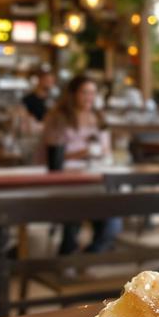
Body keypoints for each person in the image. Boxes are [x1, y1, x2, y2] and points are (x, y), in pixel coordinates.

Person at [42, 74, 120, 254]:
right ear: (73, 94)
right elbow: (53, 156)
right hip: (66, 179)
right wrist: (83, 152)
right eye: (84, 92)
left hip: (96, 175)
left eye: (92, 93)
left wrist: (100, 154)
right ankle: (69, 253)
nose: (89, 97)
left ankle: (90, 253)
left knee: (113, 213)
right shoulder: (59, 118)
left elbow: (106, 149)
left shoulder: (99, 117)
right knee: (76, 207)